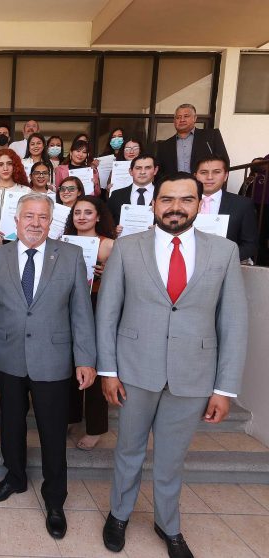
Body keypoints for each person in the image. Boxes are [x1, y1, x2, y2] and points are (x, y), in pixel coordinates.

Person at [97, 173, 247, 557]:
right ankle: (119, 515)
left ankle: (169, 524)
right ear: (154, 204)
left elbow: (232, 322)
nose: (175, 207)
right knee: (128, 449)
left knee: (171, 457)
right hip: (134, 369)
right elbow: (107, 313)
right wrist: (108, 371)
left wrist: (225, 388)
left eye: (185, 199)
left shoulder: (224, 251)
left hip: (194, 373)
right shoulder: (129, 248)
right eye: (167, 199)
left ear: (199, 204)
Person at [0, 192, 96, 540]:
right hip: (9, 356)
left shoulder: (71, 256)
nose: (35, 223)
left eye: (43, 217)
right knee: (10, 424)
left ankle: (55, 499)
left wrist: (85, 358)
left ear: (51, 222)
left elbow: (81, 313)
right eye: (29, 216)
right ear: (16, 220)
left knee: (53, 432)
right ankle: (14, 477)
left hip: (54, 360)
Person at [63, 195, 116, 450]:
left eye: (87, 212)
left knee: (92, 366)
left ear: (98, 216)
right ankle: (71, 416)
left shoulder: (108, 246)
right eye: (77, 212)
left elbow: (122, 283)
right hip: (66, 307)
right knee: (69, 365)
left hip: (95, 307)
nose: (81, 216)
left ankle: (96, 427)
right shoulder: (62, 243)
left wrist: (107, 274)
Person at [194, 155, 258, 263]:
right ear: (195, 176)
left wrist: (225, 258)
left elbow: (250, 244)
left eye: (216, 172)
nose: (210, 177)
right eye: (204, 172)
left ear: (225, 176)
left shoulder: (242, 204)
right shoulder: (182, 202)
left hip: (224, 268)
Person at [155, 103, 230, 176]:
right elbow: (160, 172)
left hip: (204, 186)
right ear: (174, 121)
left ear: (195, 118)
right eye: (178, 117)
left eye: (186, 116)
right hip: (175, 187)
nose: (182, 120)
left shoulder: (211, 136)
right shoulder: (164, 145)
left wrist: (220, 187)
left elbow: (225, 163)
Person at [108, 154, 158, 228]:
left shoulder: (164, 195)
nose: (142, 172)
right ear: (130, 171)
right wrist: (114, 230)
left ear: (155, 170)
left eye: (147, 168)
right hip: (122, 239)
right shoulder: (116, 195)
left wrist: (160, 228)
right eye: (138, 168)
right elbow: (107, 221)